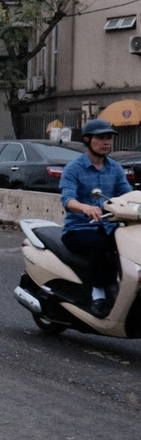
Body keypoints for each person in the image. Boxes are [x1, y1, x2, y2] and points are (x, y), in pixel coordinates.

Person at [59, 118, 131, 318]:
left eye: (109, 138)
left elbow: (127, 195)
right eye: (101, 138)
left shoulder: (115, 168)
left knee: (129, 242)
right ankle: (98, 294)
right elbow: (67, 199)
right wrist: (84, 207)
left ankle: (125, 288)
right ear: (87, 140)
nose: (106, 142)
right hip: (78, 229)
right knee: (100, 245)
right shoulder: (74, 168)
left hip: (108, 226)